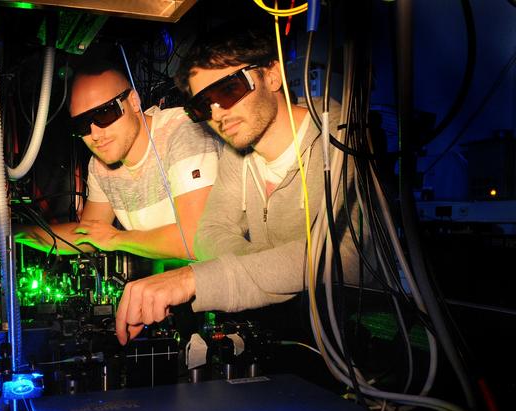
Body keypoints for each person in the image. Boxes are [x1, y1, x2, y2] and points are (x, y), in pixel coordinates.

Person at [114, 28, 363, 345]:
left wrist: (197, 279)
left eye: (229, 90)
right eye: (203, 106)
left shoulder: (343, 141)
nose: (218, 114)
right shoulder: (240, 150)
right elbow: (208, 235)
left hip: (363, 341)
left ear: (272, 76)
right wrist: (264, 273)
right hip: (295, 338)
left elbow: (340, 259)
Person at [15, 60, 221, 260]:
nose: (94, 134)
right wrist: (15, 233)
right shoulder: (100, 164)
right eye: (82, 124)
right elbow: (89, 237)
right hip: (174, 278)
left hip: (230, 274)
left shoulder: (180, 131)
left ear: (133, 101)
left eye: (104, 113)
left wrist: (118, 239)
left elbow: (198, 240)